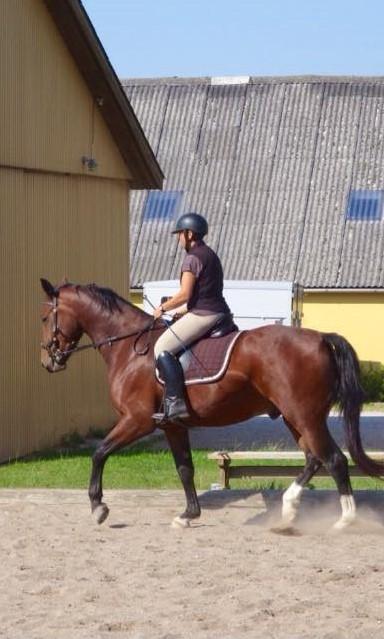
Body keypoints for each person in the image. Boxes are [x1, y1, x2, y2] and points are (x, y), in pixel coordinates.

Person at [152, 212, 231, 422]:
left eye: (179, 234)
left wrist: (163, 308)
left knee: (161, 348)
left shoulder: (192, 258)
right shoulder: (210, 254)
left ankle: (175, 403)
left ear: (188, 234)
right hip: (217, 310)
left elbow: (185, 294)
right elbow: (201, 293)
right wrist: (181, 311)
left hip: (205, 314)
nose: (178, 238)